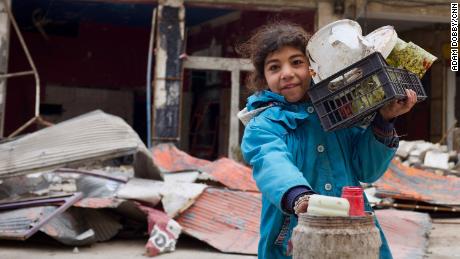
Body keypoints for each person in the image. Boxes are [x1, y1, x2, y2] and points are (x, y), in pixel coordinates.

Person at [236, 21, 417, 259]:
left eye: (297, 62)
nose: (287, 73)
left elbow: (367, 170)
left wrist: (383, 120)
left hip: (353, 230)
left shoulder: (338, 112)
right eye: (274, 67)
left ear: (314, 68)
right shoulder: (263, 124)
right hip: (292, 235)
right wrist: (298, 196)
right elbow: (271, 162)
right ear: (264, 78)